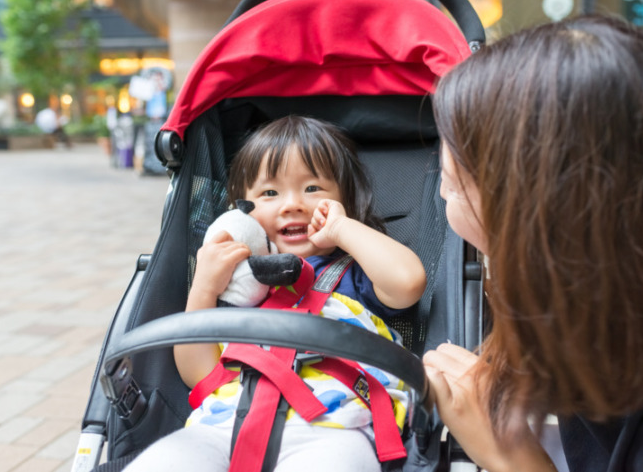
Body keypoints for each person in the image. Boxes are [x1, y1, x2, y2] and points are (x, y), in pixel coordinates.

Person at [423, 14, 643, 472]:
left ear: (533, 220)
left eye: (453, 184)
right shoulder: (628, 318)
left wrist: (512, 458)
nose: (442, 195)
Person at [124, 115, 426, 472]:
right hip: (224, 426)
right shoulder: (236, 290)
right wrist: (204, 286)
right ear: (241, 211)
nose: (292, 204)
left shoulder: (356, 273)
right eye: (270, 193)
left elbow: (408, 282)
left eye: (313, 189)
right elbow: (199, 375)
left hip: (333, 429)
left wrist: (343, 228)